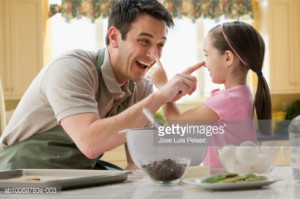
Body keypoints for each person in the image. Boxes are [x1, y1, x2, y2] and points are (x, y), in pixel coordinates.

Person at [0, 0, 201, 170]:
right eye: (144, 41)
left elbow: (137, 163)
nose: (153, 55)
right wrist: (160, 96)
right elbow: (91, 143)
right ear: (114, 37)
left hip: (77, 176)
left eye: (160, 45)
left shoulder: (141, 89)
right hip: (19, 175)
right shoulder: (71, 68)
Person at [148, 21, 272, 167]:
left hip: (223, 181)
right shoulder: (242, 94)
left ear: (227, 58)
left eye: (206, 54)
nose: (205, 63)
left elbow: (176, 123)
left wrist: (163, 86)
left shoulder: (226, 100)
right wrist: (172, 91)